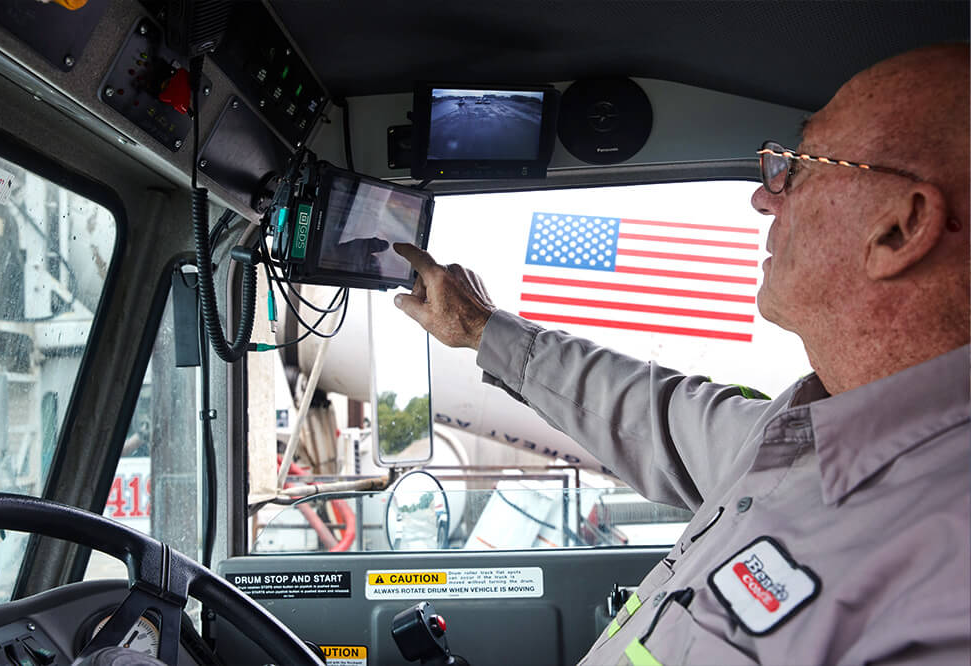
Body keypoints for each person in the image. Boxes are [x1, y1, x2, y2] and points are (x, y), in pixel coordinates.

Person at [391, 43, 970, 665]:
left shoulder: (945, 588)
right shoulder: (801, 434)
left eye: (795, 170)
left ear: (900, 229)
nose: (764, 197)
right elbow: (650, 413)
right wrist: (483, 328)